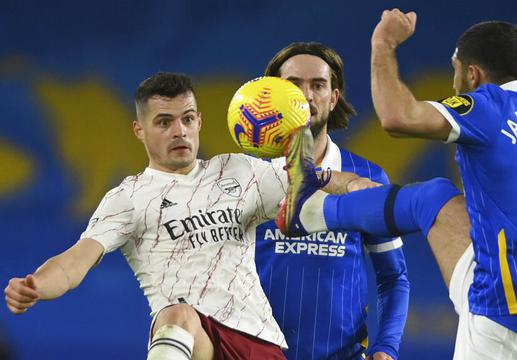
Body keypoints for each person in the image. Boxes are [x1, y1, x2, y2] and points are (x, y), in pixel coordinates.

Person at [3, 72, 371, 360]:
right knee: (176, 316)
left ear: (199, 122)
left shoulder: (240, 171)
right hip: (194, 341)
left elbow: (312, 179)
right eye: (163, 122)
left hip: (258, 339)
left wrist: (354, 185)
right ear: (139, 131)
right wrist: (37, 284)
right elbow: (74, 263)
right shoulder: (128, 198)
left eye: (187, 119)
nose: (178, 130)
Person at [279, 10, 517, 360]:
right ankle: (314, 203)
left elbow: (396, 117)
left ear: (472, 73)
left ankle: (311, 210)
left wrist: (383, 43)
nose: (454, 82)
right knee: (433, 199)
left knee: (429, 198)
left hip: (508, 315)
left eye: (455, 70)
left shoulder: (489, 106)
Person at [255, 42, 409, 360]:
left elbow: (394, 277)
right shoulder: (246, 176)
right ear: (272, 97)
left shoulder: (368, 177)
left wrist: (387, 349)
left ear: (333, 97)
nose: (307, 96)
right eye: (293, 85)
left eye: (318, 85)